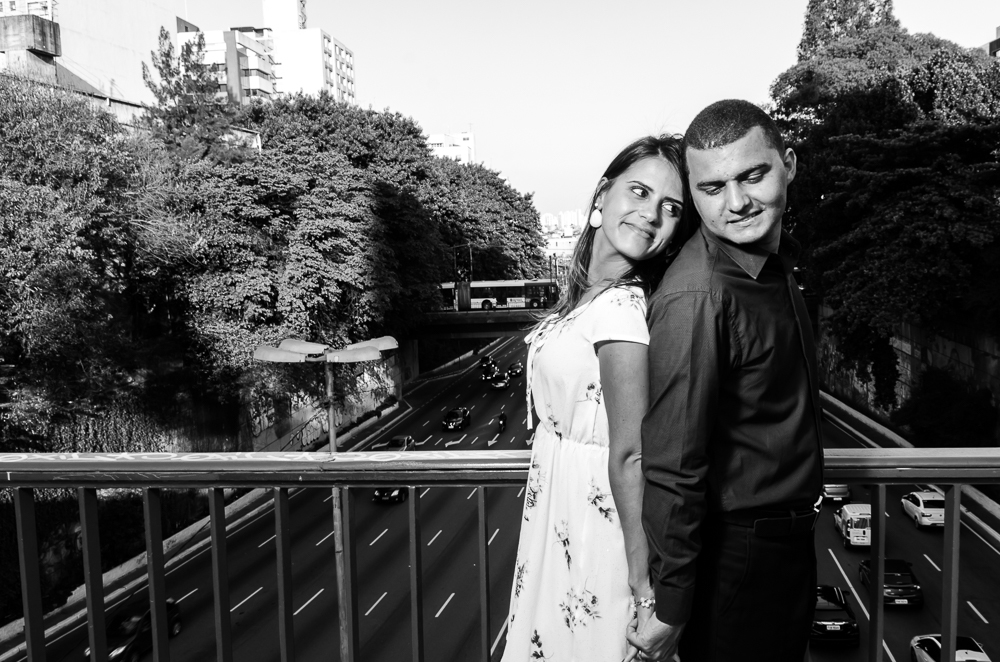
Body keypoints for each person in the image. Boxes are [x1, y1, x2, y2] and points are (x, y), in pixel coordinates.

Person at [629, 100, 824, 661]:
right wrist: (672, 606)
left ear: (788, 164)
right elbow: (673, 463)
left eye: (752, 175)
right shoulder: (699, 296)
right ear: (693, 194)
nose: (735, 203)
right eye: (712, 188)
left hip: (782, 548)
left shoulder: (772, 267)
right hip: (736, 558)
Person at [500, 135, 695, 662]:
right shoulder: (591, 298)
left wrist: (643, 587)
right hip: (562, 517)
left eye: (671, 208)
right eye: (638, 191)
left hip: (596, 531)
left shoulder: (623, 308)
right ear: (602, 196)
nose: (651, 214)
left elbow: (630, 453)